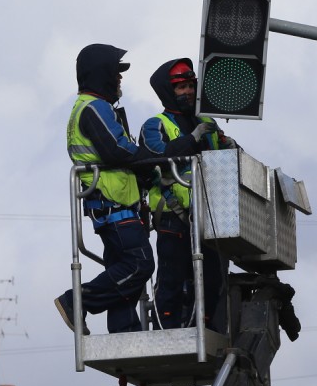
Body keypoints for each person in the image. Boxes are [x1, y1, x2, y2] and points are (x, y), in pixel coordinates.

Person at [55, 43, 155, 335]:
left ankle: (126, 333)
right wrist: (153, 158)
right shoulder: (93, 107)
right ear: (102, 74)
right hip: (114, 207)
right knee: (140, 265)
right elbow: (116, 151)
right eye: (116, 73)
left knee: (121, 270)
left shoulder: (93, 107)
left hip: (113, 206)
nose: (120, 79)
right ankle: (77, 300)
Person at [139, 57, 236, 332]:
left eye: (191, 86)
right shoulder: (154, 125)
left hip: (209, 216)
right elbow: (157, 156)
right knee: (172, 277)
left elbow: (223, 159)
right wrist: (193, 137)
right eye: (181, 87)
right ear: (168, 91)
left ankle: (203, 327)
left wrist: (229, 144)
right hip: (173, 217)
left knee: (213, 277)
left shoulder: (207, 122)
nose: (188, 92)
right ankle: (165, 332)